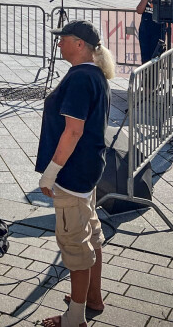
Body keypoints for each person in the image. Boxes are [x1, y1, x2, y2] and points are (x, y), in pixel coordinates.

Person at [36, 21, 115, 326]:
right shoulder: (93, 75)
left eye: (63, 39)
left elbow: (73, 131)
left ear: (80, 44)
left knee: (74, 246)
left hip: (73, 171)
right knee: (91, 235)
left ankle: (75, 318)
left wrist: (50, 173)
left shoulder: (81, 78)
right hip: (88, 168)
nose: (59, 44)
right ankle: (92, 297)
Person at [135, 0, 166, 64]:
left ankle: (154, 75)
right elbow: (139, 10)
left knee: (156, 56)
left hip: (158, 30)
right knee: (145, 57)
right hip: (145, 30)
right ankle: (146, 75)